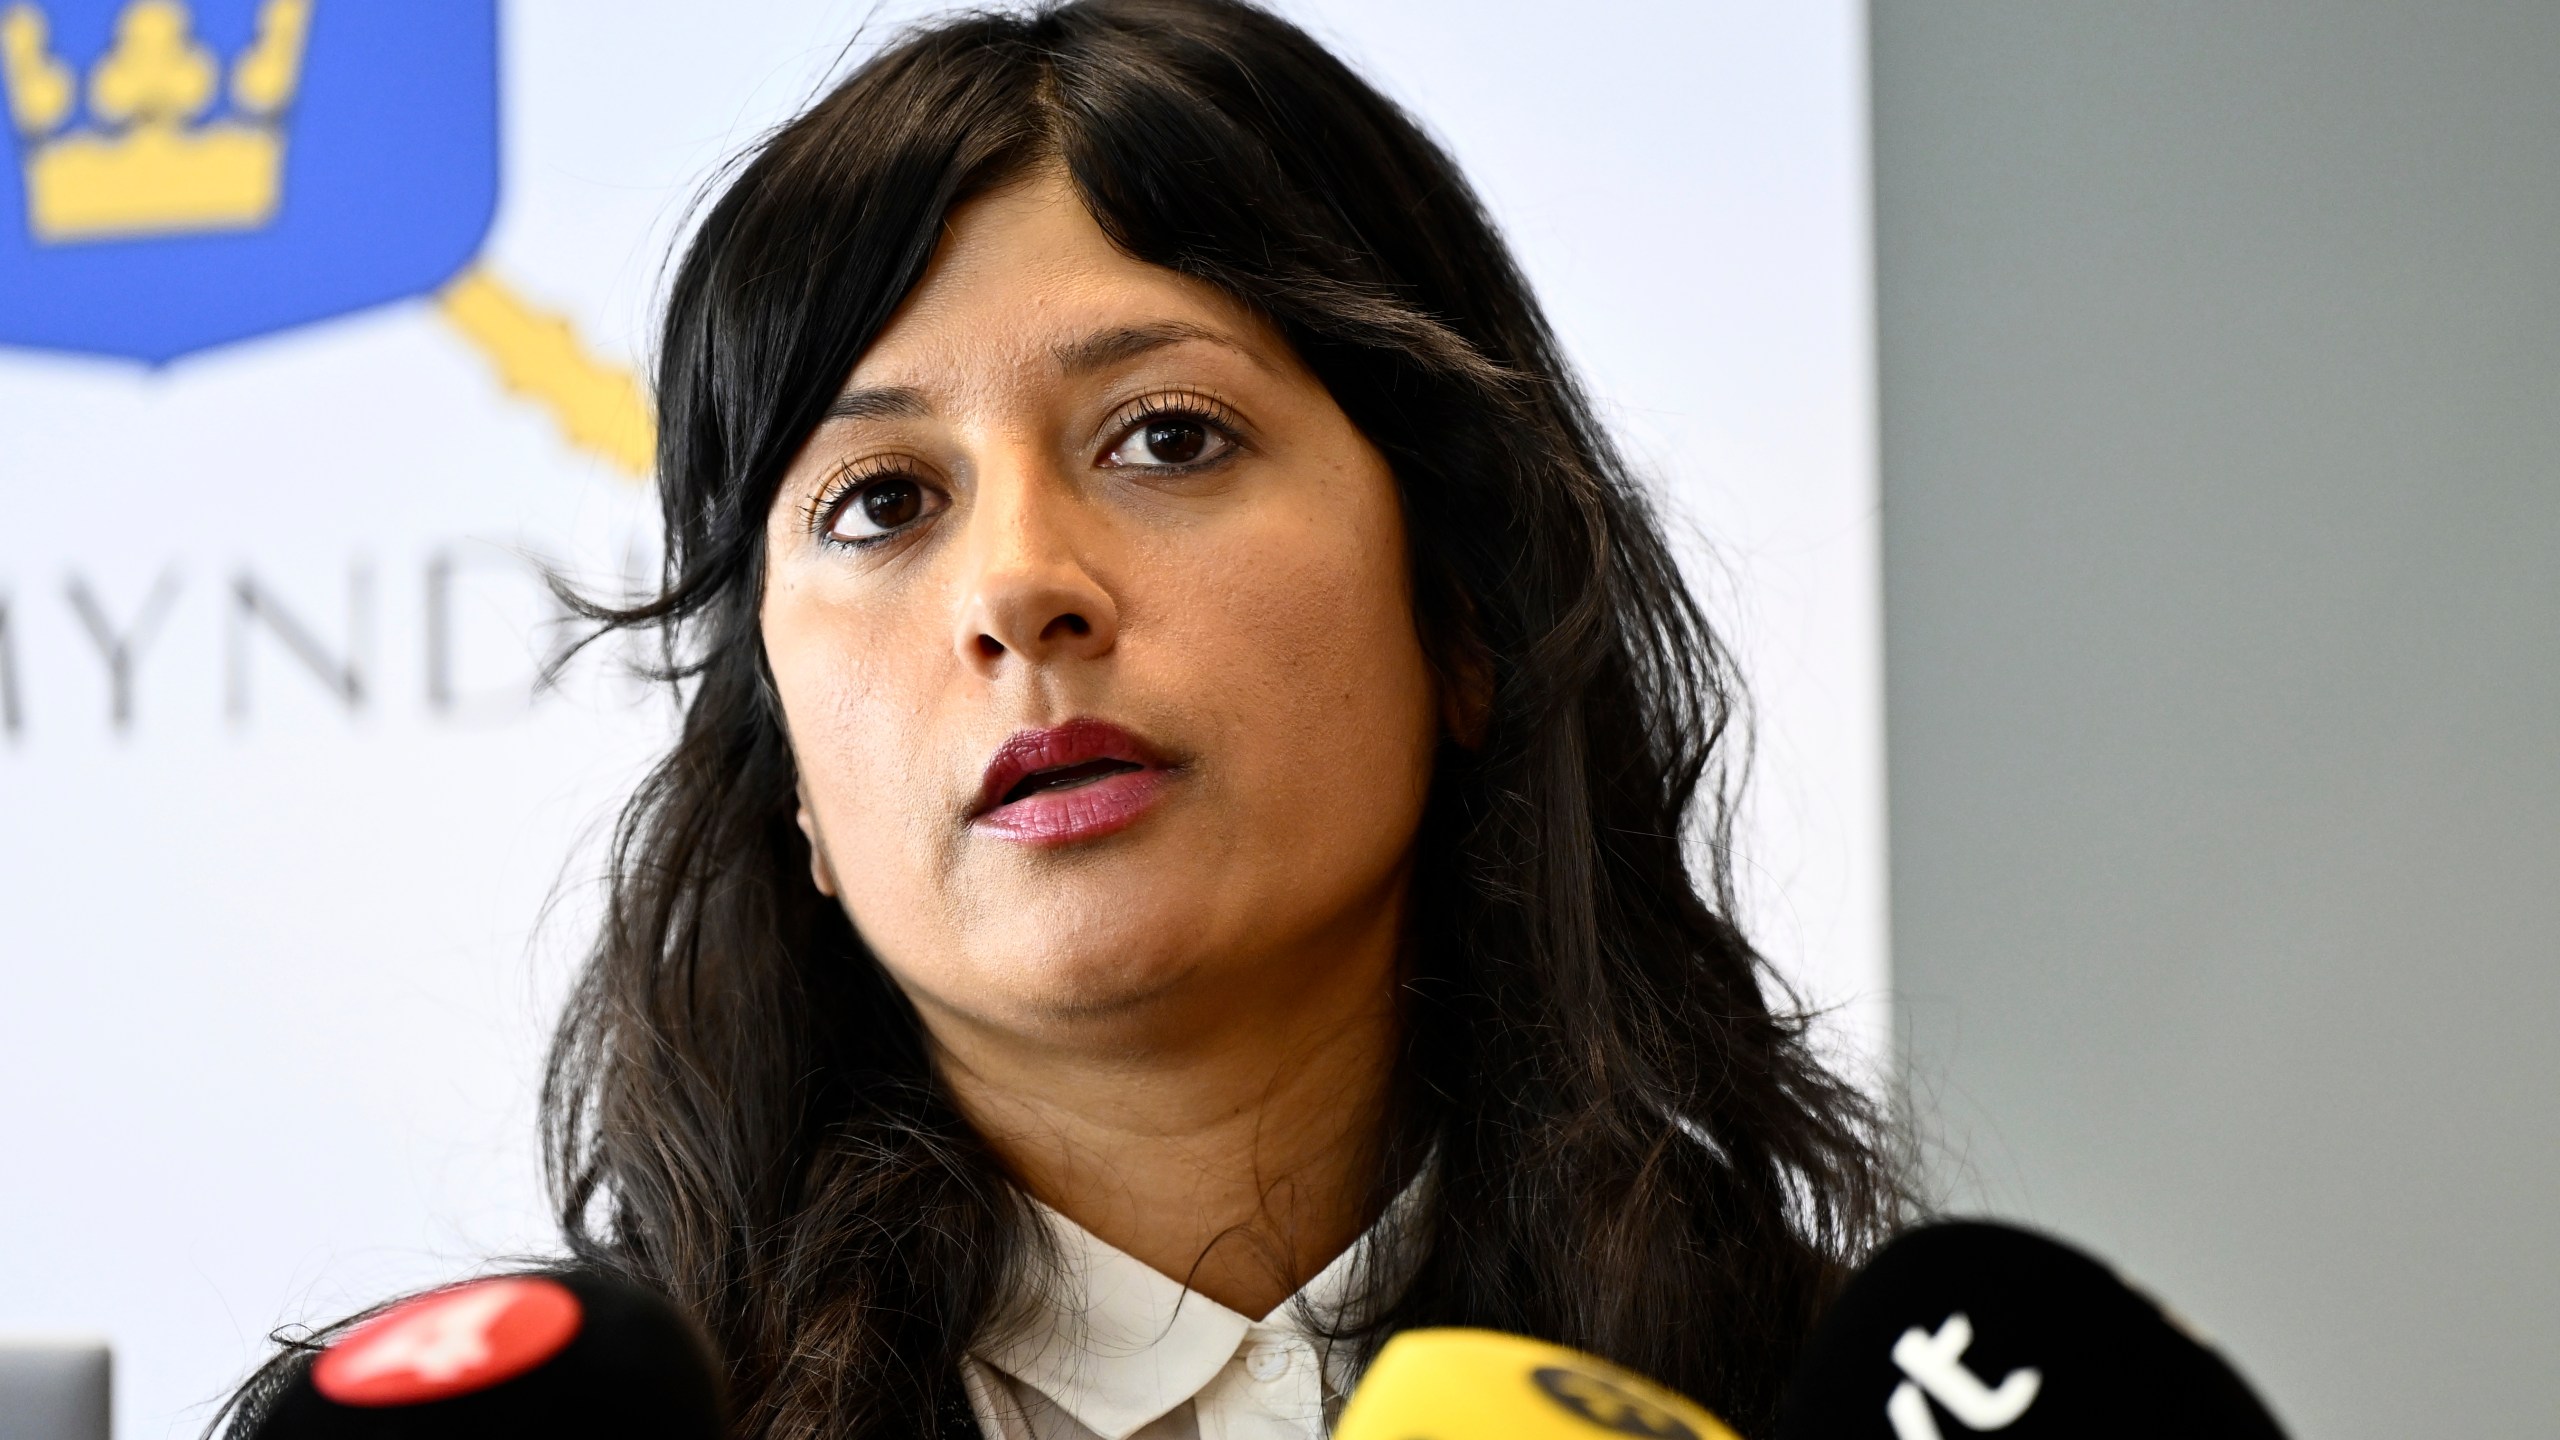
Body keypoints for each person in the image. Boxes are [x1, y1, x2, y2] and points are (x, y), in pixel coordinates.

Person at [222, 2, 1900, 1437]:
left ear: (1463, 610)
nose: (1019, 587)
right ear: (788, 772)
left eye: (1166, 437)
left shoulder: (1835, 1404)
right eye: (880, 502)